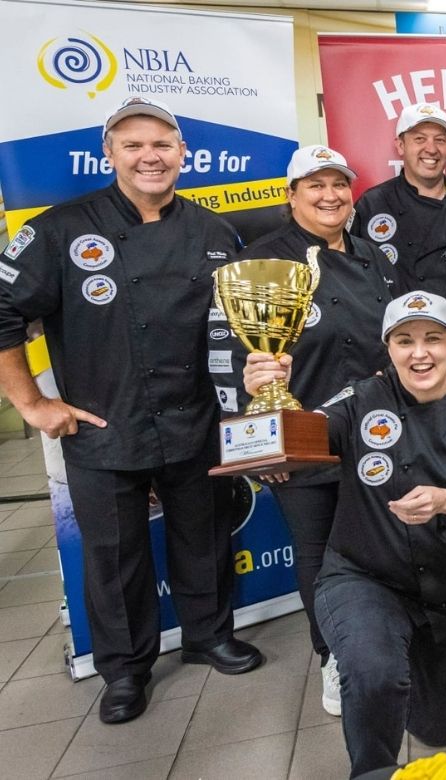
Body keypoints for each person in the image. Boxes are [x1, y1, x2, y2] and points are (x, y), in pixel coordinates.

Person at [0, 96, 262, 724]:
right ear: (109, 153)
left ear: (183, 153)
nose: (150, 156)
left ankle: (208, 636)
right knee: (115, 559)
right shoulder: (62, 229)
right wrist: (31, 402)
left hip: (197, 419)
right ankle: (124, 671)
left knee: (204, 537)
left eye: (162, 144)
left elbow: (239, 327)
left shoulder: (214, 232)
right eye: (134, 144)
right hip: (104, 426)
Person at [223, 144, 410, 717]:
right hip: (304, 435)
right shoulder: (261, 262)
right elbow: (231, 358)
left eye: (338, 184)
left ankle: (389, 643)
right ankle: (333, 654)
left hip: (377, 429)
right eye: (315, 185)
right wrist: (261, 426)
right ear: (291, 195)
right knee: (318, 551)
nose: (330, 196)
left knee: (384, 539)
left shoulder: (372, 254)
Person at [313, 291, 446, 777]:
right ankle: (371, 769)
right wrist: (269, 400)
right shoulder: (360, 398)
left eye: (433, 338)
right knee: (374, 674)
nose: (420, 353)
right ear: (388, 347)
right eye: (404, 340)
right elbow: (303, 435)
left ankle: (403, 674)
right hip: (365, 576)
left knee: (438, 728)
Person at [350, 103, 446, 380]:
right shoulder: (373, 204)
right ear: (400, 145)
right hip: (403, 354)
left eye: (440, 140)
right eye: (419, 139)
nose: (431, 148)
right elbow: (356, 281)